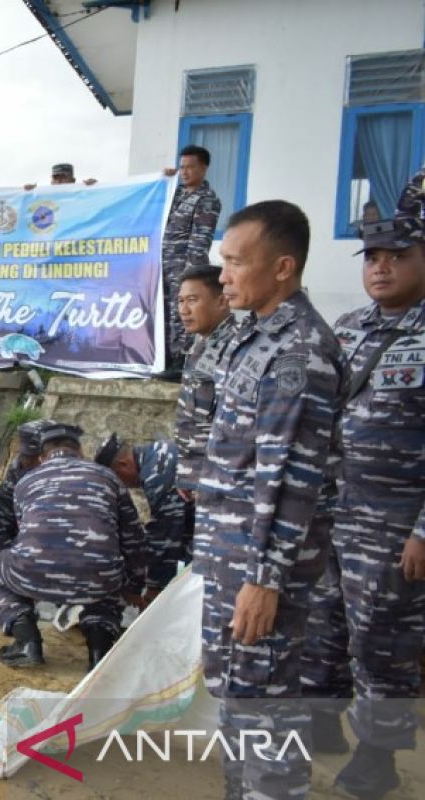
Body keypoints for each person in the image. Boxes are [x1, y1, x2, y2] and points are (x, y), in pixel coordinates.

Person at [195, 200, 345, 800]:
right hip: (232, 554)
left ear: (283, 267)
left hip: (260, 568)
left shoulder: (298, 352)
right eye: (222, 262)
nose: (224, 276)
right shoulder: (255, 336)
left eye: (236, 263)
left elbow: (289, 476)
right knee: (236, 692)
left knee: (265, 707)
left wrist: (264, 578)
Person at [301, 216, 425, 799]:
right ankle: (322, 720)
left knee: (382, 640)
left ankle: (379, 754)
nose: (380, 266)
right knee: (322, 621)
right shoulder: (349, 327)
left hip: (396, 520)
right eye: (372, 256)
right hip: (332, 508)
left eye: (396, 255)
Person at [0, 422, 145, 671]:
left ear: (42, 456)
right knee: (106, 578)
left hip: (33, 572)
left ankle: (27, 642)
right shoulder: (108, 477)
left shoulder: (25, 481)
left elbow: (25, 532)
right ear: (80, 451)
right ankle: (99, 649)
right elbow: (134, 540)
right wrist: (133, 586)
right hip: (96, 576)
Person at [96, 433, 191, 597]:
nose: (123, 486)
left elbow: (166, 535)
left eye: (117, 479)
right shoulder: (159, 451)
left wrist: (154, 588)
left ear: (123, 464)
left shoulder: (156, 474)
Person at [173, 263, 237, 499]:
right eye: (181, 301)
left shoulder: (234, 348)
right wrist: (187, 471)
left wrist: (203, 474)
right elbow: (191, 416)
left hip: (219, 477)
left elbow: (228, 423)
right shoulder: (201, 344)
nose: (184, 309)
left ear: (222, 301)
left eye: (192, 300)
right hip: (198, 474)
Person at [161, 145, 222, 370]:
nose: (184, 172)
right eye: (182, 167)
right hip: (161, 268)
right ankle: (163, 359)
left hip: (183, 269)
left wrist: (189, 278)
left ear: (204, 168)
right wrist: (162, 181)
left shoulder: (206, 200)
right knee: (163, 315)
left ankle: (179, 362)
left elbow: (200, 242)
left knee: (182, 314)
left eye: (190, 167)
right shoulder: (174, 194)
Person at [0, 419, 49, 569]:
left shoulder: (62, 476)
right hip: (19, 528)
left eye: (33, 456)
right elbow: (4, 510)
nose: (26, 461)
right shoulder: (19, 466)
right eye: (25, 454)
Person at [23, 162, 98, 190]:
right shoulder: (45, 198)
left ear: (73, 180)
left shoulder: (82, 195)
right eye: (55, 178)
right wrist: (28, 194)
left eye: (63, 178)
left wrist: (94, 188)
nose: (58, 181)